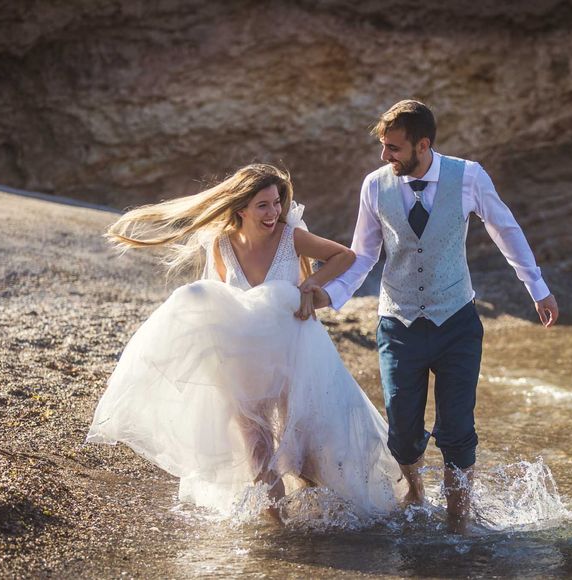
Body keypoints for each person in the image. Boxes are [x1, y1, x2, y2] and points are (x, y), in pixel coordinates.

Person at [87, 163, 403, 520]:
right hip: (244, 358)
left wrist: (310, 286)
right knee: (258, 451)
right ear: (241, 209)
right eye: (263, 205)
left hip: (294, 351)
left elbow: (343, 256)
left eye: (276, 203)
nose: (274, 213)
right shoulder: (220, 244)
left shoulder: (289, 236)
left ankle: (320, 522)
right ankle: (277, 530)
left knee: (306, 454)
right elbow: (224, 298)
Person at [306, 100, 559, 531]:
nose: (385, 156)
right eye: (384, 147)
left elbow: (506, 230)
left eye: (394, 148)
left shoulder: (469, 177)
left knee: (457, 425)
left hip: (457, 322)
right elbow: (365, 255)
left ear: (423, 145)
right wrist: (330, 295)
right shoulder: (374, 186)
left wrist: (537, 289)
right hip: (398, 323)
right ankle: (416, 495)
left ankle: (459, 516)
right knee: (403, 430)